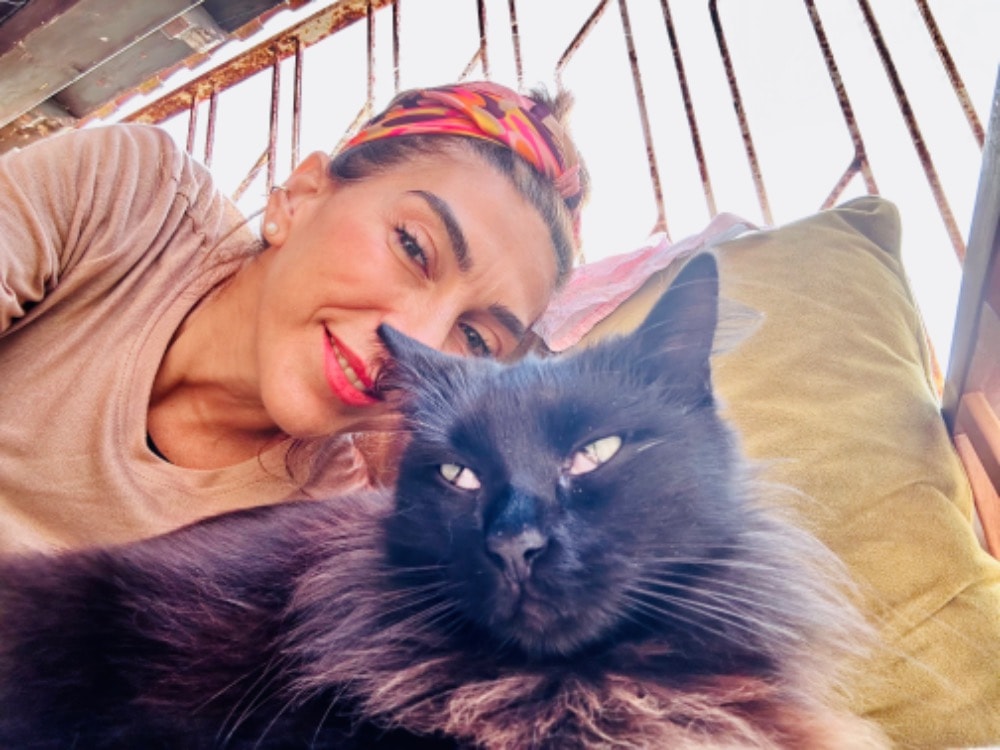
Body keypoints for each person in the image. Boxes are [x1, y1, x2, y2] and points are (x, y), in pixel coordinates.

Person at [0, 81, 589, 554]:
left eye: (476, 339)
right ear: (301, 196)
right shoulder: (130, 204)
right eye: (413, 247)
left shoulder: (322, 529)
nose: (415, 344)